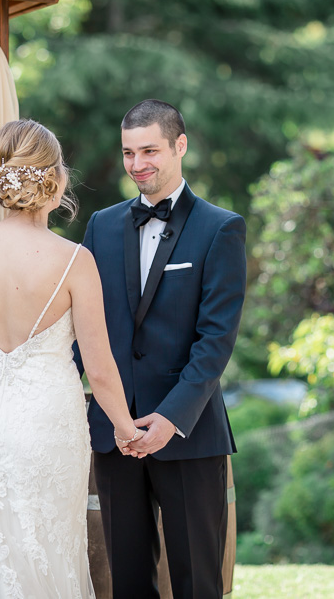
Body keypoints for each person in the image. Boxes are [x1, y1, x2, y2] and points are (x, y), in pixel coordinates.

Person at [0, 119, 140, 598]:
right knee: (48, 548)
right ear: (53, 179)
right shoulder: (73, 260)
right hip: (44, 424)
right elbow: (99, 368)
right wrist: (126, 428)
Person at [80, 99, 246, 598]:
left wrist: (169, 419)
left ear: (180, 146)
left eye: (149, 150)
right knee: (126, 583)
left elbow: (215, 342)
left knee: (198, 582)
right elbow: (87, 328)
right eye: (129, 153)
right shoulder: (101, 227)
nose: (137, 165)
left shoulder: (222, 228)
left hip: (189, 435)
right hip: (116, 434)